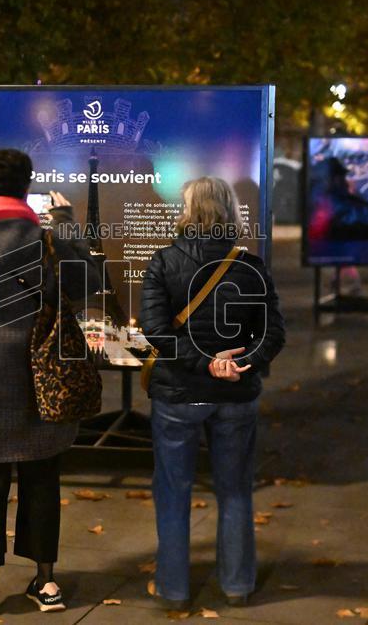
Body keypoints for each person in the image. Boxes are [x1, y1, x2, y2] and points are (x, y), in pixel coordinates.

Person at [0, 149, 100, 619]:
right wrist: (65, 223)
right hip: (41, 382)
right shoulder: (47, 242)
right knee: (42, 481)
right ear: (28, 188)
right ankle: (46, 584)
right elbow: (88, 281)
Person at [140, 177, 286, 610]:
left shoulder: (164, 261)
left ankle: (174, 589)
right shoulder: (251, 266)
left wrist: (205, 363)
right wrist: (237, 364)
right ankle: (237, 585)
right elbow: (273, 334)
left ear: (189, 210)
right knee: (236, 490)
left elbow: (156, 331)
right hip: (236, 396)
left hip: (178, 394)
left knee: (173, 491)